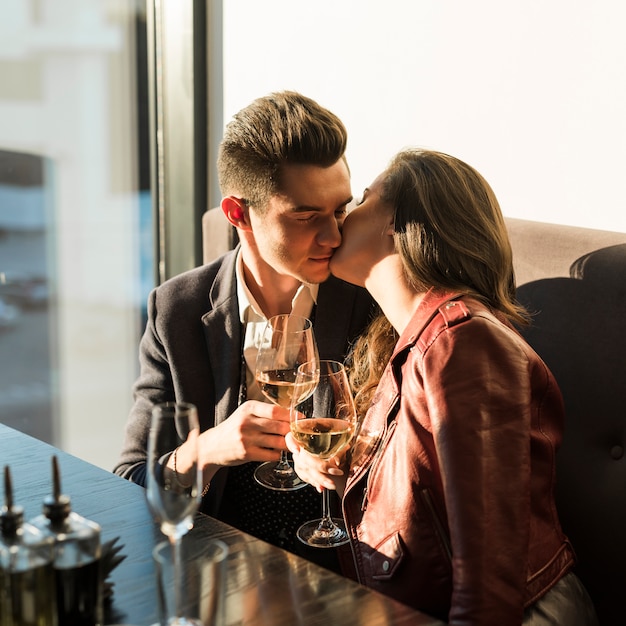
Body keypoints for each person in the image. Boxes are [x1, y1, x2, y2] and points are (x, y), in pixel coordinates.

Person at [286, 149, 599, 624]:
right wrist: (333, 464)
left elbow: (489, 562)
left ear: (398, 221)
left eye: (364, 197)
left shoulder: (464, 343)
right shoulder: (409, 341)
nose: (345, 215)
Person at [113, 91, 376, 569]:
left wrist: (344, 466)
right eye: (305, 217)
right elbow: (129, 480)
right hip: (214, 562)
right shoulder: (177, 311)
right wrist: (209, 448)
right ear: (237, 214)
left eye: (340, 210)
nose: (334, 237)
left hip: (337, 567)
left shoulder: (372, 299)